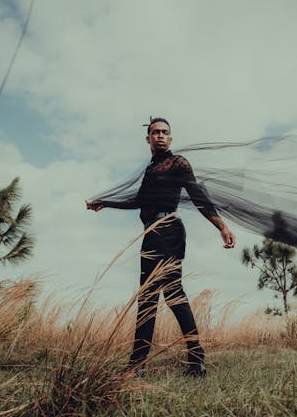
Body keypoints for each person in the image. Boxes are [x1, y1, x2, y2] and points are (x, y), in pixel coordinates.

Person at [87, 117, 236, 377]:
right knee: (152, 298)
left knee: (169, 295)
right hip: (151, 234)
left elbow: (198, 197)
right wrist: (107, 203)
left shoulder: (178, 163)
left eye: (165, 132)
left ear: (171, 138)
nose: (160, 136)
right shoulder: (150, 169)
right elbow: (138, 201)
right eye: (155, 132)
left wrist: (221, 227)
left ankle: (183, 360)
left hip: (169, 231)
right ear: (148, 139)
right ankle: (148, 364)